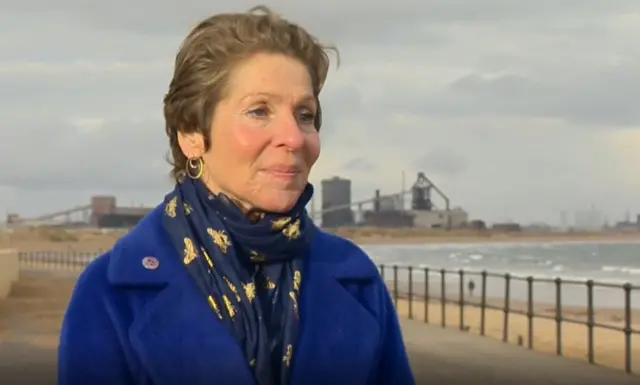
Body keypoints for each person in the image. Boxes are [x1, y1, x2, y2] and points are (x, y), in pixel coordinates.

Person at [57, 6, 414, 385]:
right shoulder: (112, 293)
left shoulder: (354, 279)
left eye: (305, 115)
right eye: (259, 111)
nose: (293, 138)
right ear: (192, 133)